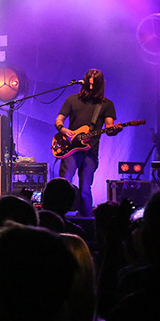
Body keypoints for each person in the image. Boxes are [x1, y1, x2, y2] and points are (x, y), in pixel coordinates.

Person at [54, 68, 119, 216]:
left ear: (100, 85)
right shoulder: (72, 99)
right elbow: (59, 119)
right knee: (65, 183)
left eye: (94, 85)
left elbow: (109, 128)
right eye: (88, 83)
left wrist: (116, 129)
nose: (90, 87)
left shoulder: (106, 104)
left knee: (85, 189)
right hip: (70, 149)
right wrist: (63, 129)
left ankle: (88, 221)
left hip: (90, 151)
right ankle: (59, 217)